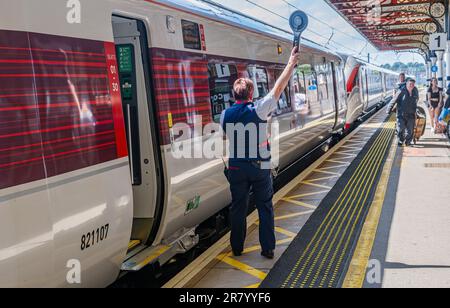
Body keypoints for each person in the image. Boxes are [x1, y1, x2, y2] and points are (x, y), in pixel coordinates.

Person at [221, 47, 300, 259]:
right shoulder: (258, 109)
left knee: (238, 208)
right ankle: (268, 249)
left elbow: (225, 139)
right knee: (265, 207)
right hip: (260, 165)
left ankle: (237, 248)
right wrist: (291, 63)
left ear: (234, 95)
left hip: (236, 166)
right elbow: (278, 86)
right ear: (251, 94)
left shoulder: (224, 115)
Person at [389, 78, 419, 146]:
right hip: (401, 113)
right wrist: (389, 109)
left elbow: (417, 99)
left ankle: (408, 142)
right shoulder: (401, 91)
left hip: (411, 113)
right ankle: (400, 140)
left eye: (413, 84)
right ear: (406, 84)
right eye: (410, 84)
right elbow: (394, 100)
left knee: (410, 129)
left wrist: (415, 109)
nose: (411, 85)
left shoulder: (415, 90)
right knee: (400, 128)